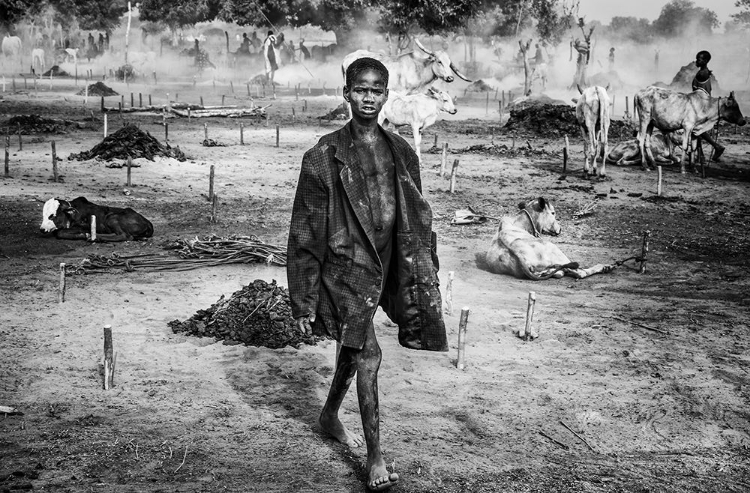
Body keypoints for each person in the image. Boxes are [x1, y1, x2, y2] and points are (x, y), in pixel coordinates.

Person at [287, 57, 448, 492]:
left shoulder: (402, 152)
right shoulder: (323, 157)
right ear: (346, 93)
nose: (369, 97)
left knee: (353, 348)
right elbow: (304, 232)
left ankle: (327, 416)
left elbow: (418, 216)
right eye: (361, 89)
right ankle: (374, 457)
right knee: (370, 356)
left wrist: (426, 271)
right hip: (345, 270)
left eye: (377, 89)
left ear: (387, 94)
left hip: (387, 265)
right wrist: (303, 300)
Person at [692, 50, 724, 161]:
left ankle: (715, 147)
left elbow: (698, 93)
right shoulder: (704, 72)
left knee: (696, 130)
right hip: (703, 104)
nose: (696, 61)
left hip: (701, 105)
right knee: (696, 131)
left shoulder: (702, 74)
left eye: (698, 59)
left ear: (705, 61)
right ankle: (701, 155)